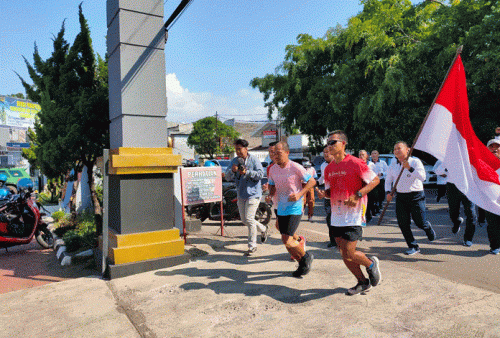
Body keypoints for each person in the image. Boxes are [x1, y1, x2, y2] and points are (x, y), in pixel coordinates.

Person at [323, 131, 381, 296]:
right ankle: (362, 282)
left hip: (354, 214)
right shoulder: (328, 169)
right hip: (336, 216)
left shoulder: (356, 163)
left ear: (343, 143)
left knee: (349, 252)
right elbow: (330, 192)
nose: (329, 146)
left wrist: (358, 195)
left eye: (333, 142)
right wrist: (323, 194)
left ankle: (371, 264)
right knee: (344, 254)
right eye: (328, 143)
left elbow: (375, 180)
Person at [268, 141, 316, 277]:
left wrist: (300, 194)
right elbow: (272, 185)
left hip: (295, 207)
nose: (275, 155)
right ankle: (303, 262)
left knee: (287, 240)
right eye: (273, 153)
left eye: (278, 152)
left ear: (287, 152)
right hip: (281, 207)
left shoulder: (295, 167)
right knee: (285, 240)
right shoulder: (272, 169)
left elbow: (312, 181)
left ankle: (306, 257)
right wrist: (269, 195)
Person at [385, 141, 436, 255]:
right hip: (401, 196)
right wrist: (388, 192)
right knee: (403, 223)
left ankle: (427, 227)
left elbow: (422, 177)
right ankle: (413, 246)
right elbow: (388, 180)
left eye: (399, 148)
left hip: (416, 196)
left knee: (420, 222)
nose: (396, 151)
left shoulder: (415, 161)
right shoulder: (393, 164)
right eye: (395, 149)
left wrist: (409, 168)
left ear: (407, 149)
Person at [225, 139, 268, 256]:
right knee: (245, 220)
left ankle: (252, 245)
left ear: (246, 148)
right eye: (236, 149)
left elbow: (260, 174)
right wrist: (233, 171)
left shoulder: (254, 160)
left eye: (240, 149)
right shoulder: (234, 161)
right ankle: (263, 229)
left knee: (249, 219)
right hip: (241, 193)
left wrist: (247, 172)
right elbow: (227, 177)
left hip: (253, 193)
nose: (238, 151)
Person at [446, 179, 477, 247]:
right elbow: (437, 169)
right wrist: (445, 172)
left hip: (468, 186)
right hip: (453, 186)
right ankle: (457, 222)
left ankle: (468, 239)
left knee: (471, 213)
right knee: (453, 212)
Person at [316, 145, 336, 247]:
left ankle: (341, 240)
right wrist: (316, 182)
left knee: (338, 218)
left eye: (327, 152)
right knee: (329, 218)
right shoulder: (323, 165)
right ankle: (332, 240)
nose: (325, 154)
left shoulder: (338, 163)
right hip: (327, 196)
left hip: (338, 196)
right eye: (324, 152)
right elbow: (322, 178)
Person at [485, 138, 500, 255]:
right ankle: (494, 246)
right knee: (493, 224)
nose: (494, 149)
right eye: (492, 147)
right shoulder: (482, 163)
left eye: (497, 146)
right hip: (490, 199)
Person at [358, 150, 376, 222]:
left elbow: (375, 176)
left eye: (363, 155)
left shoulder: (371, 165)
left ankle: (368, 215)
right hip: (360, 187)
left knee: (369, 202)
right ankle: (362, 217)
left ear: (367, 156)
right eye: (360, 155)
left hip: (369, 186)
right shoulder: (356, 164)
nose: (361, 156)